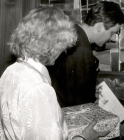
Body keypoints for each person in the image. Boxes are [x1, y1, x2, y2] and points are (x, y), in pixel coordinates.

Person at [0, 6, 109, 140]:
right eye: (63, 45)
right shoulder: (40, 89)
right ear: (54, 45)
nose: (62, 52)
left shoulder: (11, 71)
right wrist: (84, 138)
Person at [47, 1, 124, 107]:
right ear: (99, 27)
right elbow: (80, 105)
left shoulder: (72, 33)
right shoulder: (82, 51)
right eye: (112, 33)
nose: (111, 38)